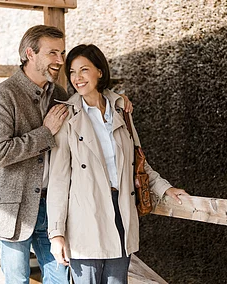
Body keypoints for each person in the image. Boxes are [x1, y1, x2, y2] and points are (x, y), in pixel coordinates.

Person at [0, 25, 134, 284]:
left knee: (60, 280)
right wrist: (45, 132)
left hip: (54, 208)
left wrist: (115, 98)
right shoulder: (3, 95)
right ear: (30, 53)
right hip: (13, 208)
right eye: (53, 53)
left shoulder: (60, 95)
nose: (60, 61)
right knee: (18, 280)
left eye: (62, 53)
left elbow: (90, 96)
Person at [47, 44, 188, 284]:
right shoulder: (67, 116)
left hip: (121, 211)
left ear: (100, 71)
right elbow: (58, 180)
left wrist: (165, 188)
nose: (77, 78)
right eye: (72, 72)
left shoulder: (122, 110)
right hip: (85, 217)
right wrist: (56, 234)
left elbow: (138, 162)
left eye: (84, 70)